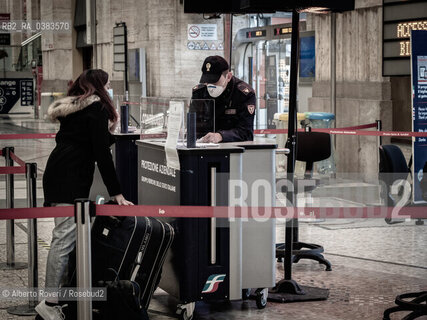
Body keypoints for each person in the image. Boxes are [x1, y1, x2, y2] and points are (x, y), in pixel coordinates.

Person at [35, 69, 133, 320]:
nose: (110, 88)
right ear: (99, 86)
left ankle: (60, 298)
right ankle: (49, 302)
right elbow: (100, 153)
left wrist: (109, 132)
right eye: (108, 84)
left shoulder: (77, 107)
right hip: (70, 176)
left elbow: (87, 139)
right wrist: (117, 193)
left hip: (60, 170)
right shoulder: (97, 108)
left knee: (67, 238)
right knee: (64, 239)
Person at [192, 55, 256, 143]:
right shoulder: (199, 92)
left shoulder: (243, 94)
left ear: (228, 77)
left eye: (215, 81)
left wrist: (221, 136)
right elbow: (194, 124)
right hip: (203, 147)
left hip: (232, 149)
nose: (210, 85)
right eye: (207, 81)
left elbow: (246, 133)